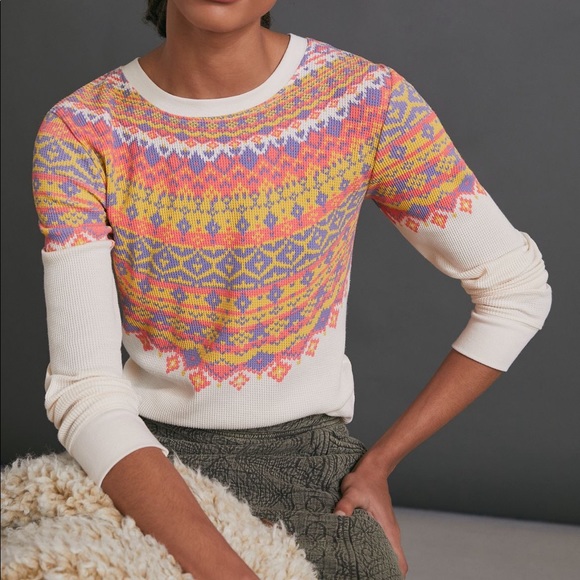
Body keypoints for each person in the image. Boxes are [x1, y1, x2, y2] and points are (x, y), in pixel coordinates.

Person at [31, 0, 552, 578]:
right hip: (137, 465)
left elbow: (516, 287)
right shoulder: (81, 128)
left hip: (310, 475)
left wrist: (380, 462)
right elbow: (84, 391)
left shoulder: (361, 102)